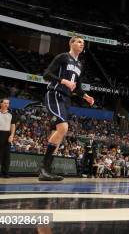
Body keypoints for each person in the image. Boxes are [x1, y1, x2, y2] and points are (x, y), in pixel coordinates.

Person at [40, 36, 95, 181]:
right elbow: (46, 75)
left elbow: (77, 87)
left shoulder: (80, 65)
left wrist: (86, 96)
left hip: (66, 99)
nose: (81, 44)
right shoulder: (62, 57)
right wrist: (63, 81)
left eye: (83, 43)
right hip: (55, 94)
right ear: (71, 43)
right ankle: (43, 169)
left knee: (58, 132)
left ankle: (46, 170)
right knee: (63, 128)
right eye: (78, 42)